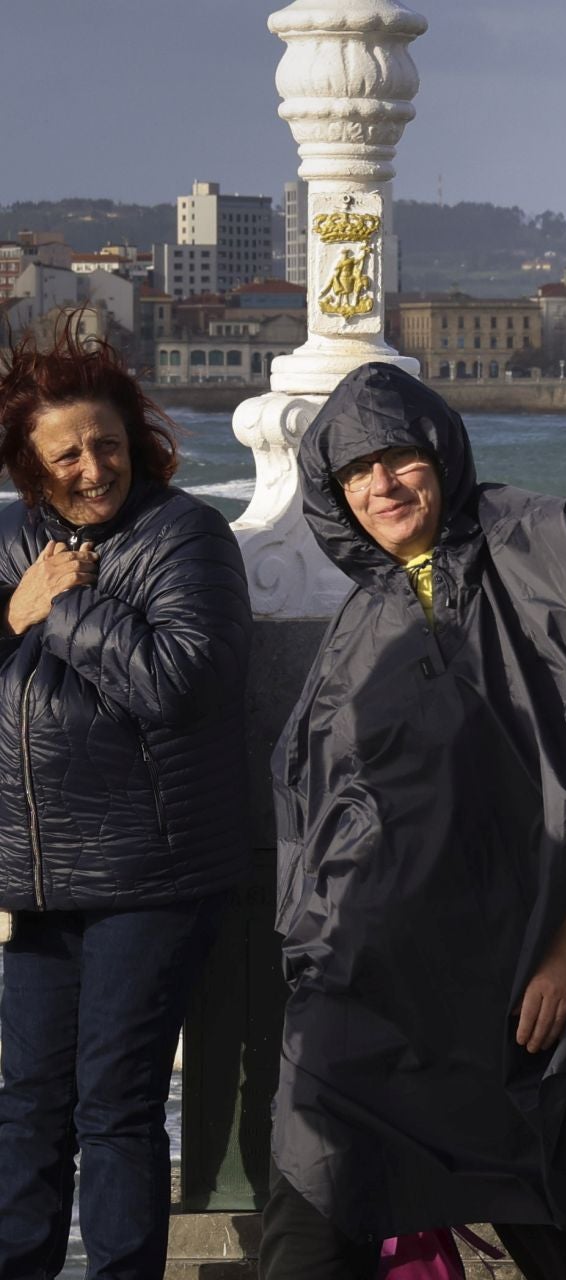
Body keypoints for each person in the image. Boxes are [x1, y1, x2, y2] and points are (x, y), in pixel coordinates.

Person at [264, 364, 566, 1278]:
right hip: (366, 979)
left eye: (399, 458)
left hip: (514, 969)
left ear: (440, 457)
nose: (381, 487)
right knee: (313, 1207)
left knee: (555, 1206)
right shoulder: (360, 623)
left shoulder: (526, 572)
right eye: (354, 472)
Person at [0, 326, 252, 1277]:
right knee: (28, 1102)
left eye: (106, 443)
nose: (92, 467)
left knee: (115, 1106)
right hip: (36, 880)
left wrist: (61, 607)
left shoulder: (186, 535)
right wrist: (13, 609)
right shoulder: (12, 540)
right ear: (30, 464)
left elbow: (183, 682)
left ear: (134, 439)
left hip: (151, 873)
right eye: (65, 453)